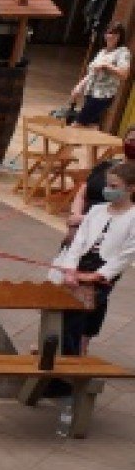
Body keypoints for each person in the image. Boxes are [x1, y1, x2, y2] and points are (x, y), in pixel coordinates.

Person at [51, 158, 135, 386]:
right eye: (107, 185)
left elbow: (124, 256)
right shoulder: (97, 210)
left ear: (131, 188)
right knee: (62, 316)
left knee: (75, 318)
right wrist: (70, 269)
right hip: (79, 265)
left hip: (101, 272)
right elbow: (78, 242)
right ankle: (60, 368)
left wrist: (95, 276)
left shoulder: (133, 218)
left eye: (114, 187)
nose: (108, 190)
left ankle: (64, 375)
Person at [67, 22, 129, 129]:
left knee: (77, 124)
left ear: (120, 37)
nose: (111, 36)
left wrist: (106, 65)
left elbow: (124, 74)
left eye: (115, 34)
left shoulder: (122, 52)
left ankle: (66, 145)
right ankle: (93, 145)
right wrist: (79, 87)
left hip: (102, 95)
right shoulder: (102, 52)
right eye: (109, 33)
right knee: (92, 126)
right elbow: (91, 73)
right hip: (91, 92)